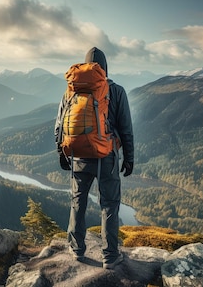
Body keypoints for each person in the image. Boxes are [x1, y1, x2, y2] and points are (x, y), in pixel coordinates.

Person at [54, 47, 134, 269]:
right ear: (105, 67)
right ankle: (109, 256)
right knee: (109, 204)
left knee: (78, 201)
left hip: (78, 156)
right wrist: (129, 157)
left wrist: (61, 152)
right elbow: (126, 128)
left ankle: (76, 249)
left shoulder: (72, 91)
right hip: (106, 157)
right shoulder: (116, 91)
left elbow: (60, 124)